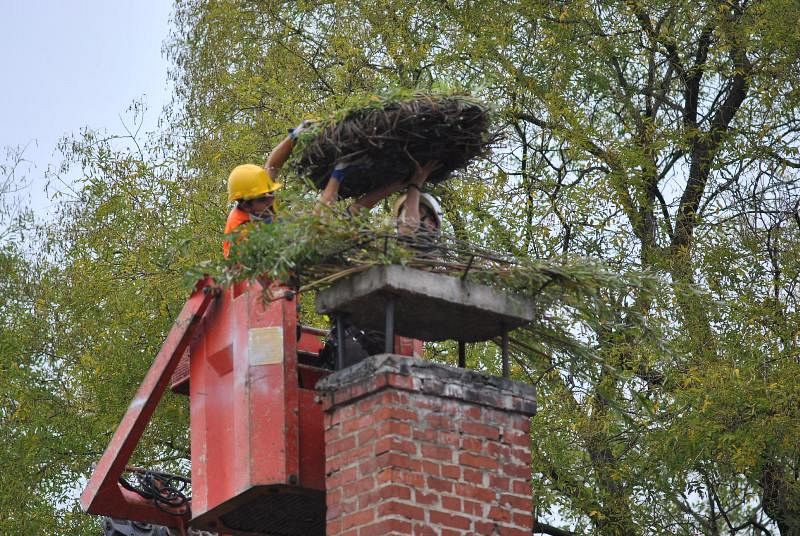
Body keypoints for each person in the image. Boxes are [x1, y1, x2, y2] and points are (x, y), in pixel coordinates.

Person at [223, 121, 310, 257]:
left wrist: (294, 136)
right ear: (246, 205)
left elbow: (272, 165)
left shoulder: (259, 195)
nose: (271, 198)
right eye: (264, 198)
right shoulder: (243, 233)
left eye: (269, 192)